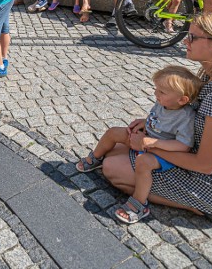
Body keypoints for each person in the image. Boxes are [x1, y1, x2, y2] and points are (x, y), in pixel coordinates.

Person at [101, 13, 212, 221]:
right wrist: (152, 125)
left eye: (193, 37)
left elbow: (205, 165)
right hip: (196, 160)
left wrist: (148, 145)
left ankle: (198, 207)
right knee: (116, 150)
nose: (185, 41)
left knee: (111, 166)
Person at [77, 66, 202, 224]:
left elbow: (183, 146)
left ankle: (139, 204)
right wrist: (145, 122)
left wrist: (153, 143)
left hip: (162, 152)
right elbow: (159, 119)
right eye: (156, 89)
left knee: (144, 164)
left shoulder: (185, 117)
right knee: (113, 132)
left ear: (182, 100)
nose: (156, 94)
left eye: (162, 92)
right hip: (147, 138)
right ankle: (96, 158)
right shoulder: (165, 103)